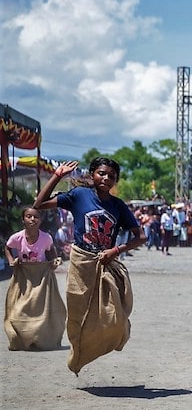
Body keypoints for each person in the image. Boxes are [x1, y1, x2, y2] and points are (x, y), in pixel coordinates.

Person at [32, 158, 146, 374]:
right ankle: (77, 356)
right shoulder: (79, 195)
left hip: (106, 263)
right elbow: (38, 205)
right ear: (92, 174)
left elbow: (140, 237)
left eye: (111, 176)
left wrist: (116, 251)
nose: (106, 178)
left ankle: (108, 341)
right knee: (77, 316)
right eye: (102, 173)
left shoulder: (118, 206)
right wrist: (57, 176)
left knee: (114, 315)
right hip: (81, 262)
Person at [4, 208, 66, 350]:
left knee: (41, 309)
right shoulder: (17, 238)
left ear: (41, 220)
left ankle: (42, 339)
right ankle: (20, 339)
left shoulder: (46, 238)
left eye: (36, 217)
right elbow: (7, 248)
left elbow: (51, 251)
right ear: (23, 220)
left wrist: (55, 262)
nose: (32, 219)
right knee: (20, 308)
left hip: (41, 277)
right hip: (24, 276)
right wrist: (11, 260)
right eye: (29, 216)